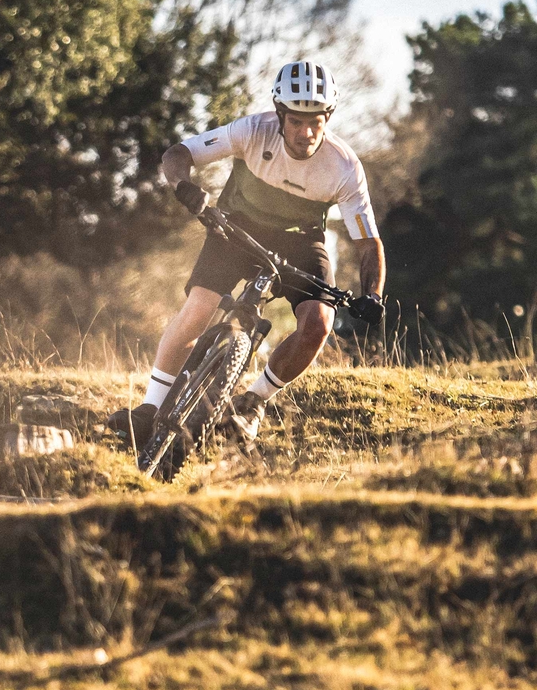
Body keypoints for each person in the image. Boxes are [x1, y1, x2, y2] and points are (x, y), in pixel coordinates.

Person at [108, 59, 386, 449]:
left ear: (328, 117)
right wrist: (184, 186)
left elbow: (368, 243)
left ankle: (253, 402)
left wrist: (373, 294)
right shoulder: (252, 130)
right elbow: (177, 154)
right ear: (280, 114)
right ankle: (150, 408)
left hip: (301, 240)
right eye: (296, 121)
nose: (306, 132)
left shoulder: (344, 167)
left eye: (316, 121)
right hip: (237, 226)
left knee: (320, 324)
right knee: (199, 310)